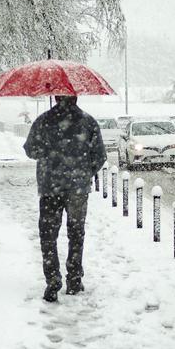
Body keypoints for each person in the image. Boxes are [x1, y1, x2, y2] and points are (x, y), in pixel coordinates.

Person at [23, 95, 106, 302]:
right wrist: (84, 172)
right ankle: (74, 279)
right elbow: (100, 155)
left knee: (48, 234)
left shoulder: (43, 121)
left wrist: (49, 152)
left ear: (56, 96)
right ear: (75, 97)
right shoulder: (88, 122)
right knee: (76, 233)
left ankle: (52, 279)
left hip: (50, 187)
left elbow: (30, 150)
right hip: (77, 188)